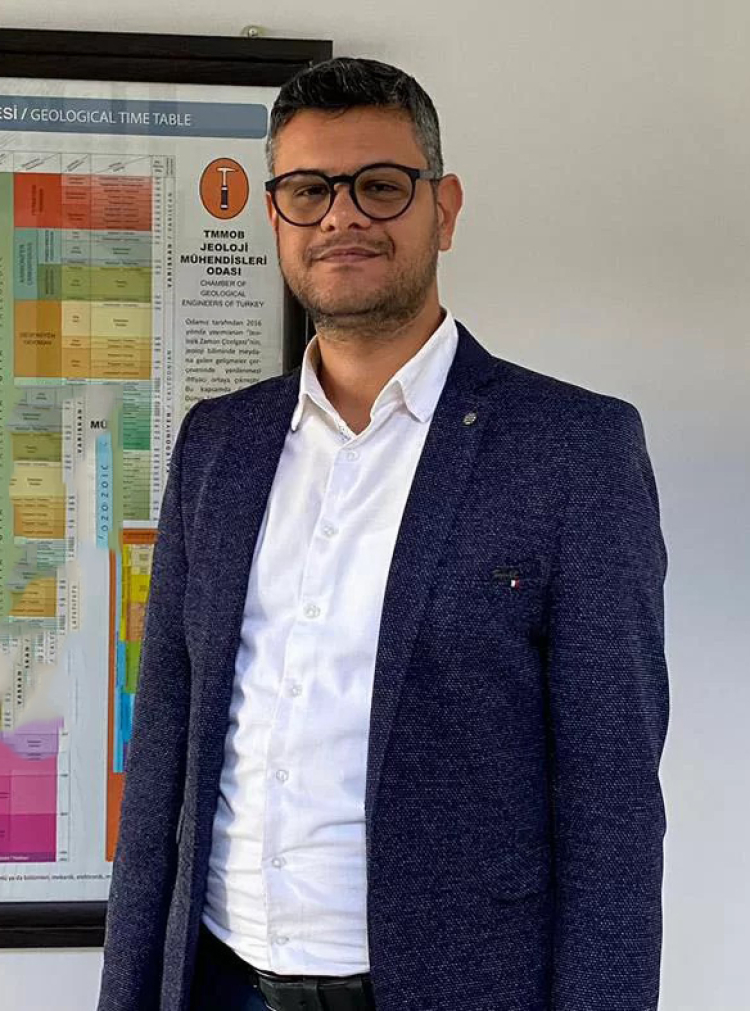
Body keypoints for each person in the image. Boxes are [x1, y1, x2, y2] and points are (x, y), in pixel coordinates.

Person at [97, 57, 670, 1011]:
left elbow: (613, 809)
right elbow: (162, 759)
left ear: (444, 208)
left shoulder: (574, 450)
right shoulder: (219, 445)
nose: (342, 217)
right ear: (275, 217)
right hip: (220, 984)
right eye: (309, 190)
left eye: (380, 185)